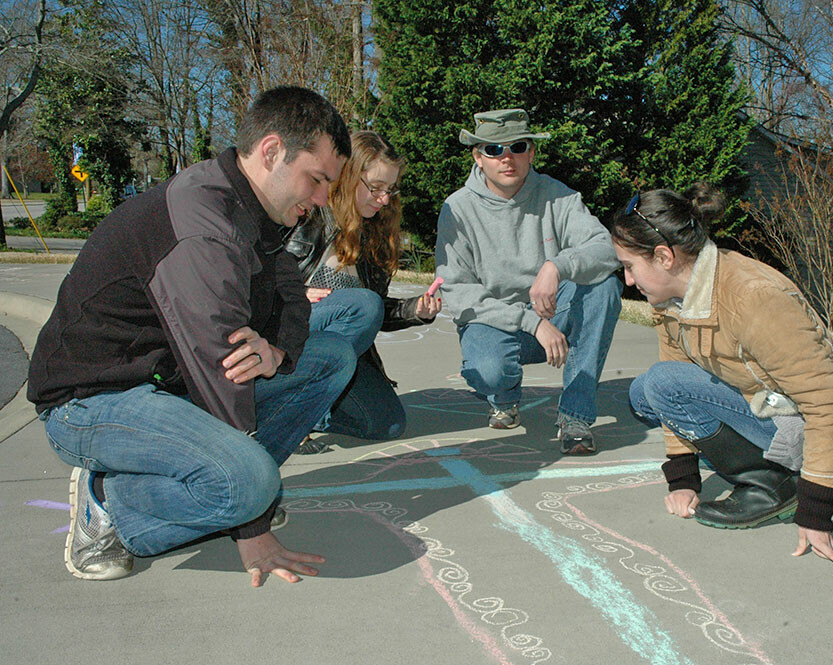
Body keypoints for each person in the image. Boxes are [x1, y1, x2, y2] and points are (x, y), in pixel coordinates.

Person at [27, 86, 357, 584]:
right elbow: (219, 373)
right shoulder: (204, 225)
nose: (320, 199)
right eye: (316, 180)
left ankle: (214, 489)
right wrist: (253, 522)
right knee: (248, 482)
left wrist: (278, 351)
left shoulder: (255, 209)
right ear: (271, 152)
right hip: (92, 401)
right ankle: (108, 502)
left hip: (167, 383)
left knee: (331, 357)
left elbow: (293, 294)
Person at [608, 183, 833, 567]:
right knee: (645, 392)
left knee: (661, 384)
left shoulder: (754, 298)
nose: (627, 280)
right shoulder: (674, 298)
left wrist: (816, 510)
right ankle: (757, 463)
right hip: (760, 400)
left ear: (663, 256)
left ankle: (775, 483)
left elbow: (829, 404)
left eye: (629, 266)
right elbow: (679, 372)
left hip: (795, 421)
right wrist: (684, 478)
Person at [435, 108, 622, 455]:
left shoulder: (558, 196)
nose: (507, 158)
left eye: (517, 146)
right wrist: (531, 322)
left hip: (552, 313)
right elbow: (458, 293)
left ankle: (575, 415)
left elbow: (606, 249)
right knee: (488, 370)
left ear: (531, 152)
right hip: (496, 322)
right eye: (494, 149)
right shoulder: (457, 209)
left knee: (604, 287)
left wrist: (556, 266)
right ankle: (503, 399)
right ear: (478, 157)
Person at [284, 130, 441, 448]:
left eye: (390, 190)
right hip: (289, 341)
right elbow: (249, 278)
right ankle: (285, 407)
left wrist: (415, 309)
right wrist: (289, 293)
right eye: (376, 188)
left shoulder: (373, 233)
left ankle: (314, 407)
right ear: (348, 176)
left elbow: (375, 311)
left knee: (387, 423)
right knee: (362, 304)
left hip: (337, 357)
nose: (384, 199)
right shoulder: (305, 215)